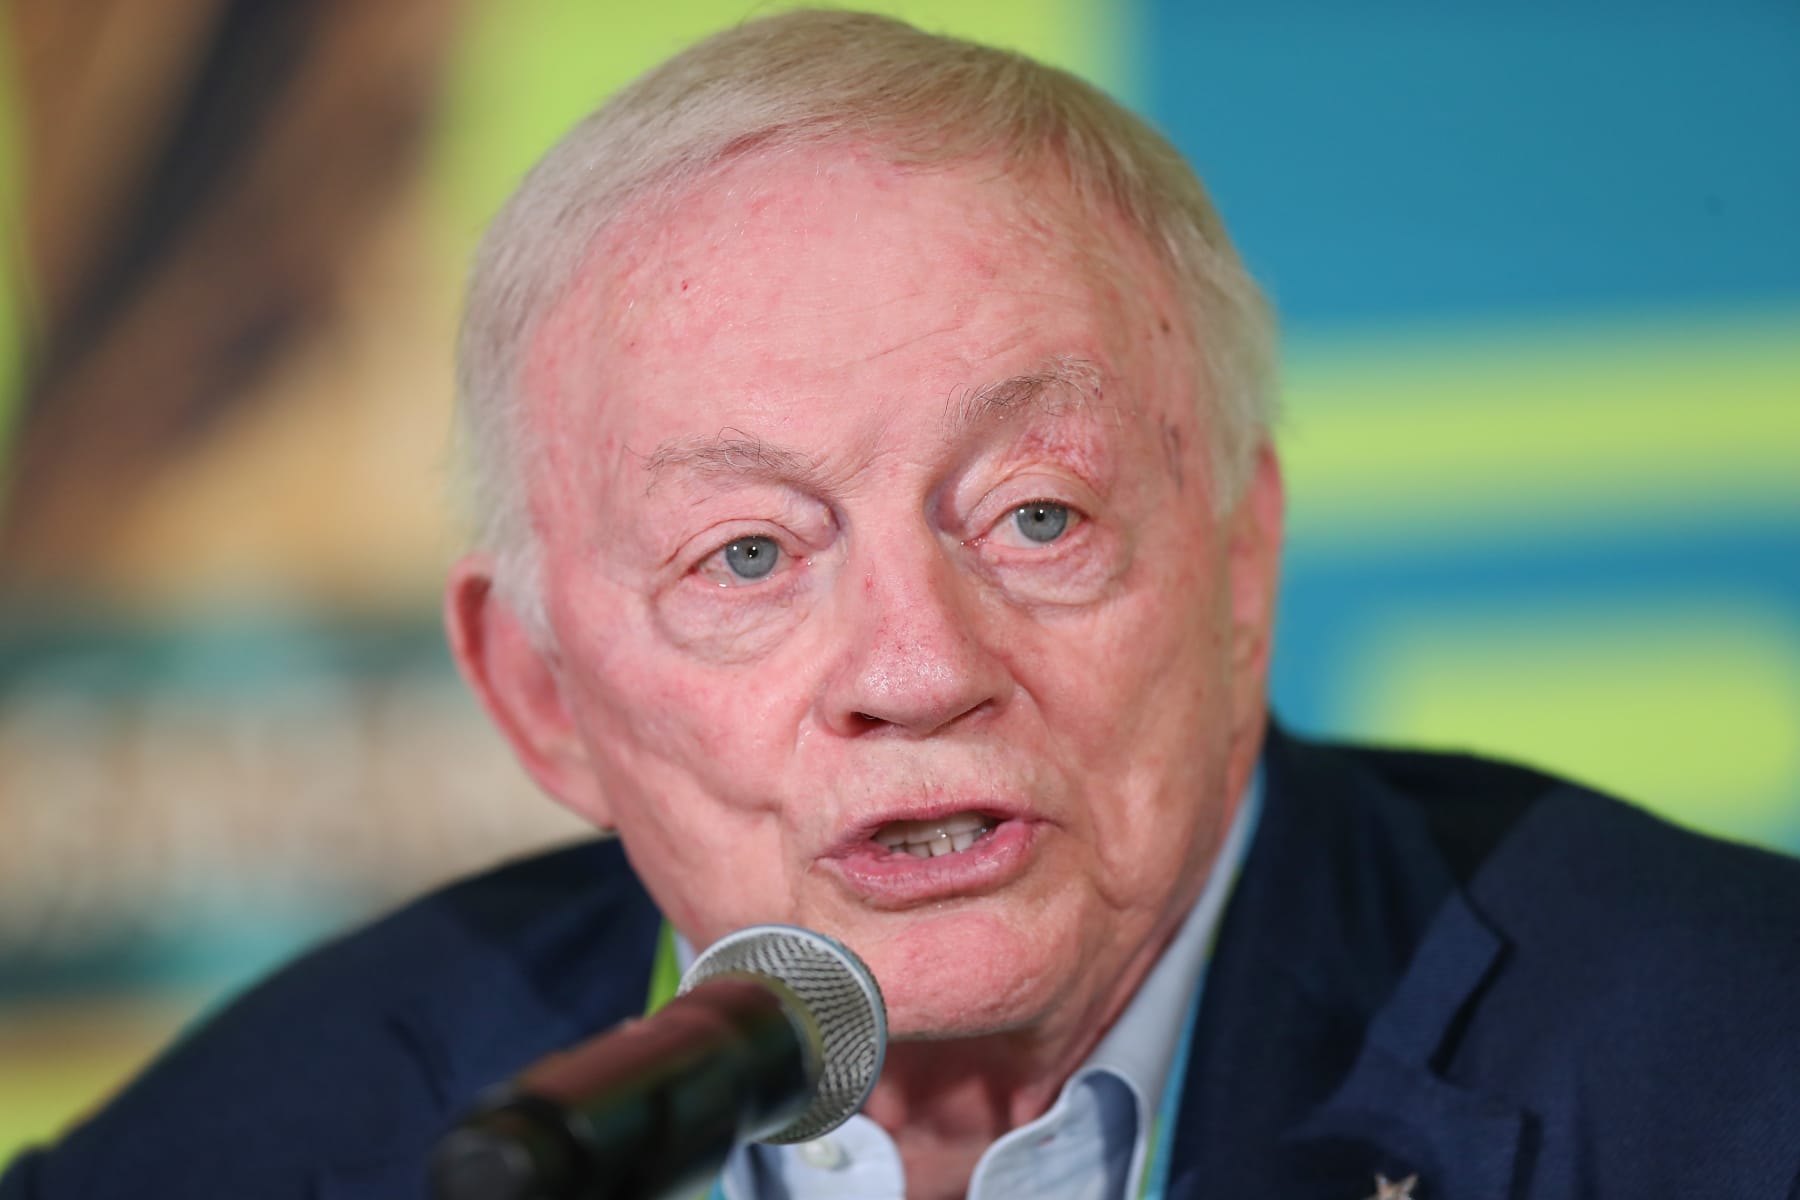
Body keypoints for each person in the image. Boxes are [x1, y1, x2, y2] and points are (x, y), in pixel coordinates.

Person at [6, 10, 1799, 1199]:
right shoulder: (271, 1151)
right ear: (539, 693)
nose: (918, 670)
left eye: (1034, 516)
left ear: (1239, 563)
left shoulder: (1737, 1077)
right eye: (751, 556)